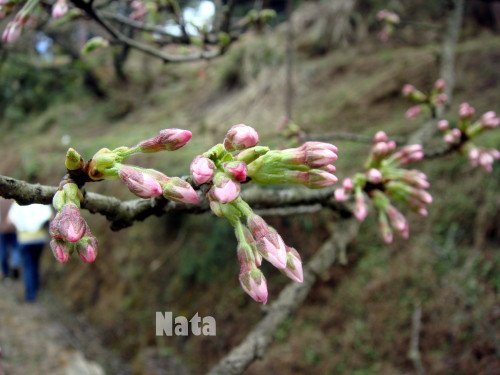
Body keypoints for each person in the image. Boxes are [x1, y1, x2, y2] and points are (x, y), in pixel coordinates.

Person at [7, 202, 52, 302]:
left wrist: (19, 226)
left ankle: (30, 294)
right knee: (35, 264)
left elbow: (10, 219)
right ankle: (36, 287)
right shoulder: (41, 202)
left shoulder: (18, 204)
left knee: (28, 266)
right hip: (40, 239)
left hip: (25, 239)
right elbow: (49, 217)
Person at [0, 198, 20, 280]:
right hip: (13, 228)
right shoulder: (13, 200)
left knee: (3, 250)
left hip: (2, 230)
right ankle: (15, 265)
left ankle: (5, 272)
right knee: (15, 248)